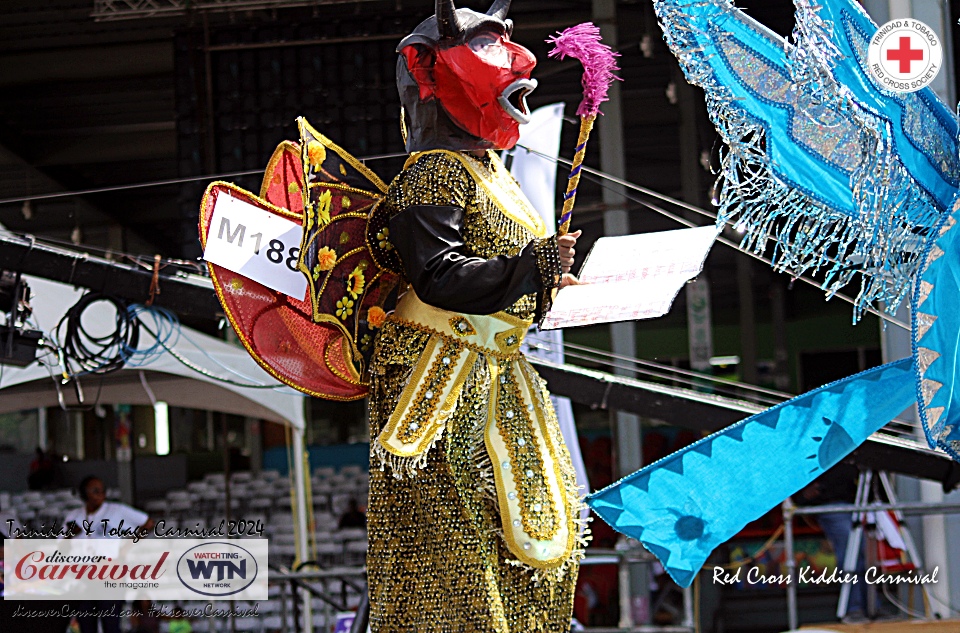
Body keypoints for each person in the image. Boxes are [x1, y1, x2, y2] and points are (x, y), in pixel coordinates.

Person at [365, 1, 584, 631]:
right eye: (489, 47)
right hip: (440, 382)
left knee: (535, 550)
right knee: (456, 561)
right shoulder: (433, 172)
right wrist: (531, 267)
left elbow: (507, 275)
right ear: (429, 70)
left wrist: (545, 279)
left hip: (498, 377)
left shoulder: (491, 172)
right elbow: (439, 276)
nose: (519, 61)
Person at [64, 476, 154, 633]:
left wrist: (125, 548)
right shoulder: (73, 516)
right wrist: (70, 534)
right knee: (86, 625)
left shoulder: (116, 510)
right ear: (84, 494)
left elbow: (148, 523)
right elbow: (61, 548)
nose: (101, 494)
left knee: (111, 624)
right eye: (95, 490)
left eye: (103, 490)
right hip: (83, 575)